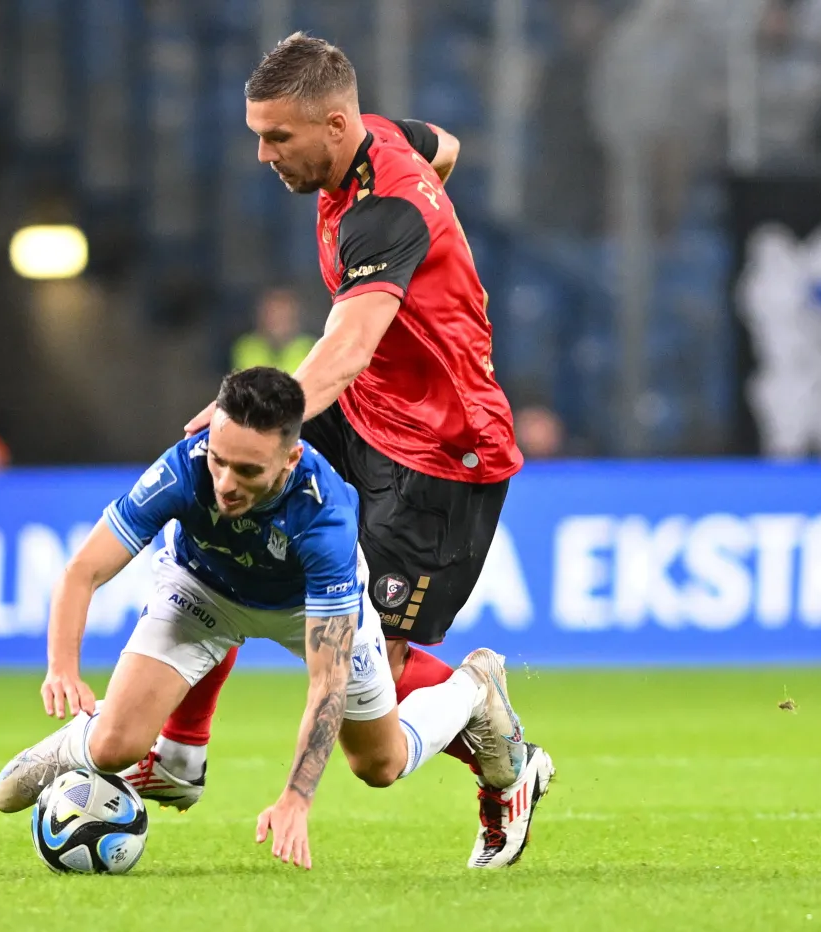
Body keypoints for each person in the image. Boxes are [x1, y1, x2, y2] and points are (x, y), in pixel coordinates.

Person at [124, 33, 554, 870]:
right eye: (257, 134)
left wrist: (245, 418)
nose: (263, 154)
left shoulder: (382, 210)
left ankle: (478, 700)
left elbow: (350, 346)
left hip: (441, 453)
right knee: (219, 500)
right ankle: (179, 750)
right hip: (363, 415)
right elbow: (447, 148)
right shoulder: (381, 141)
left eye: (278, 137)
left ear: (332, 122)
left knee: (374, 740)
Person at [0, 368, 531, 871]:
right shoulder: (184, 466)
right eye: (219, 461)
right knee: (114, 748)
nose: (225, 482)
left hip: (303, 608)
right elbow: (83, 570)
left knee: (379, 767)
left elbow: (327, 681)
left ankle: (473, 690)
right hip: (202, 591)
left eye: (248, 470)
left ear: (290, 460)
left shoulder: (326, 520)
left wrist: (296, 797)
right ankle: (107, 746)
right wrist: (62, 667)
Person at [230, 288, 315, 374]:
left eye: (284, 315)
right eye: (274, 313)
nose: (279, 321)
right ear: (261, 316)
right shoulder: (246, 348)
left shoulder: (310, 349)